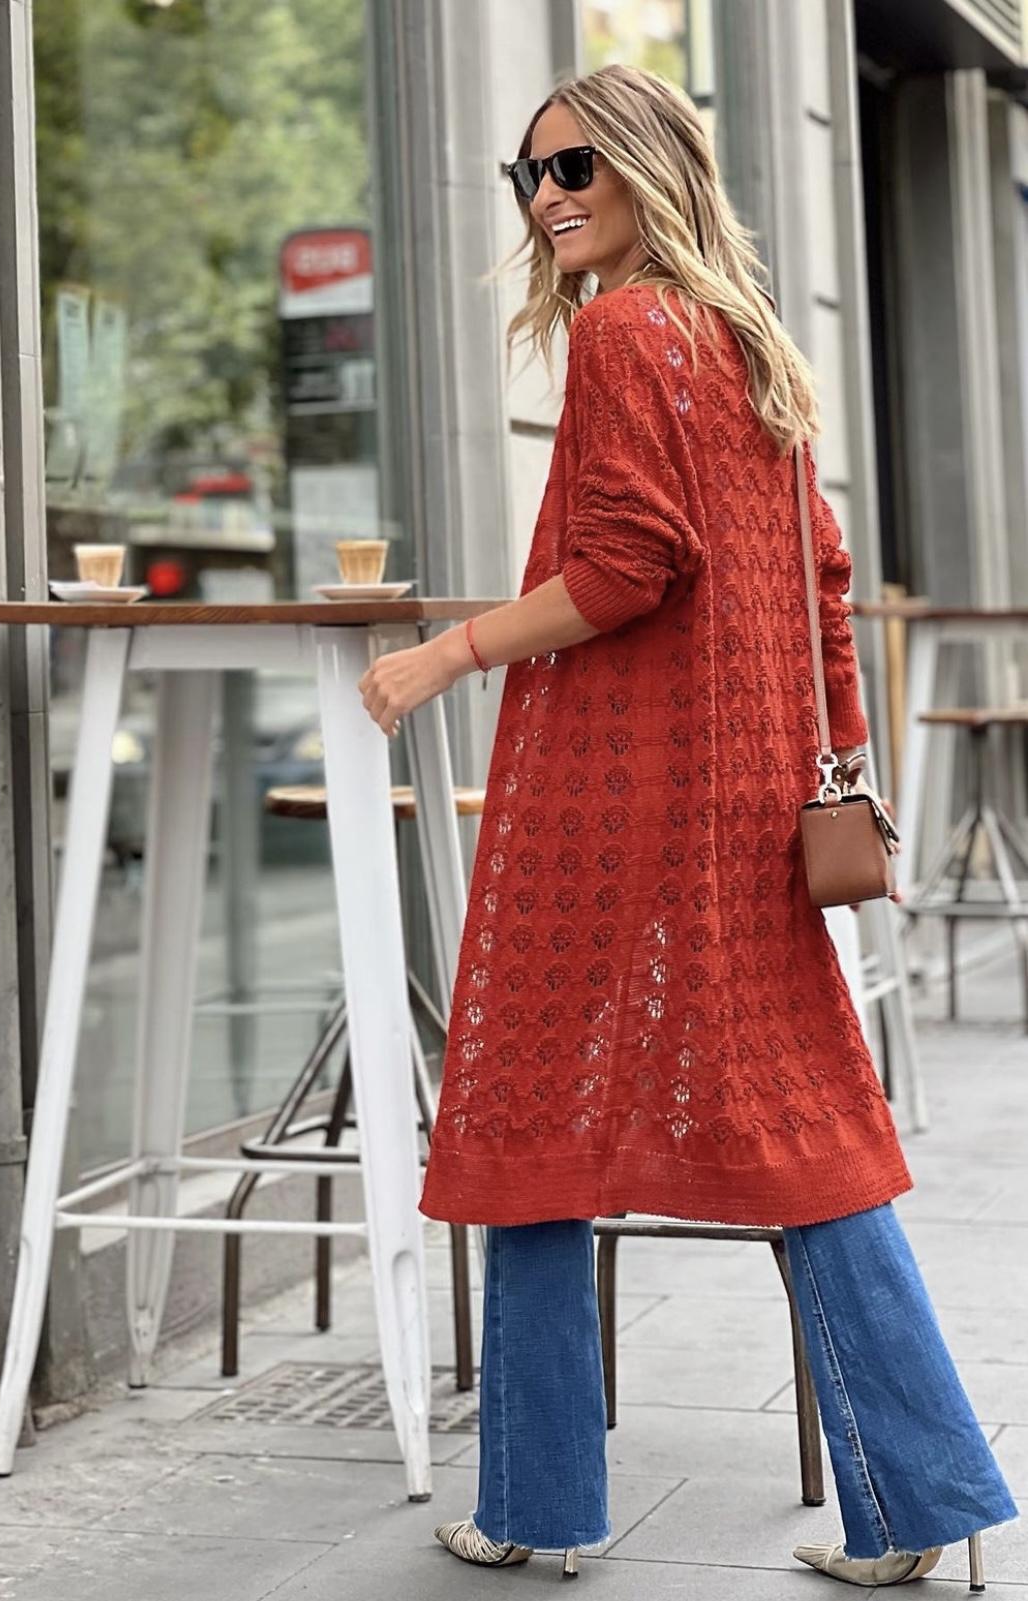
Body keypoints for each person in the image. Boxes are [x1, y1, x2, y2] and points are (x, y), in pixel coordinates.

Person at [357, 63, 1015, 1586]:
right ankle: (920, 1500)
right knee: (807, 1136)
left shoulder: (625, 331)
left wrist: (445, 653)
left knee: (528, 1119)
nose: (550, 196)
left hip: (610, 807)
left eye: (577, 165)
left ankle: (536, 1504)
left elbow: (626, 568)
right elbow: (824, 582)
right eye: (530, 175)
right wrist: (834, 774)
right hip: (747, 812)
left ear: (652, 166)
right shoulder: (749, 340)